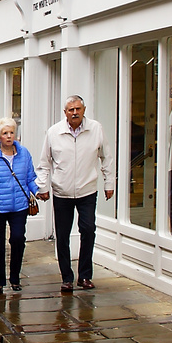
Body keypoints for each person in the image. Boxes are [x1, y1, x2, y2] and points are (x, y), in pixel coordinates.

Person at [37, 96, 113, 293]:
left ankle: (85, 275)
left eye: (78, 109)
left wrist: (109, 183)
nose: (75, 112)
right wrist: (43, 187)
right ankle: (67, 277)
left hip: (87, 190)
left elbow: (107, 157)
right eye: (71, 109)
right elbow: (44, 163)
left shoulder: (95, 129)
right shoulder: (54, 132)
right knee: (62, 236)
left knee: (88, 230)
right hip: (62, 192)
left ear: (84, 109)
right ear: (65, 112)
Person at [0, 118, 38, 295]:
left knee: (18, 239)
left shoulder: (24, 154)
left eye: (11, 133)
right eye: (5, 133)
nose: (9, 136)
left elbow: (30, 177)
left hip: (19, 205)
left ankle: (15, 278)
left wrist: (39, 191)